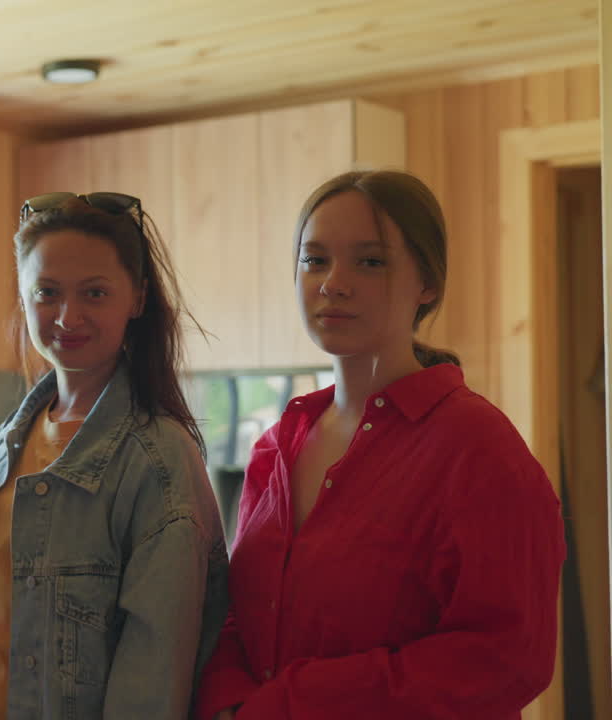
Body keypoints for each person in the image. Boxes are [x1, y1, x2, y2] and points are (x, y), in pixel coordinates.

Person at [195, 169, 565, 719]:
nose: (332, 283)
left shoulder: (478, 448)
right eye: (314, 259)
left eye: (370, 261)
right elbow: (242, 615)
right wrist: (226, 702)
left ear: (429, 283)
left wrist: (291, 705)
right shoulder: (278, 445)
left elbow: (507, 656)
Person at [0, 192, 229, 720]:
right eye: (47, 292)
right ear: (23, 296)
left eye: (94, 293)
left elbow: (151, 687)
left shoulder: (159, 460)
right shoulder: (12, 439)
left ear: (136, 298)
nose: (68, 316)